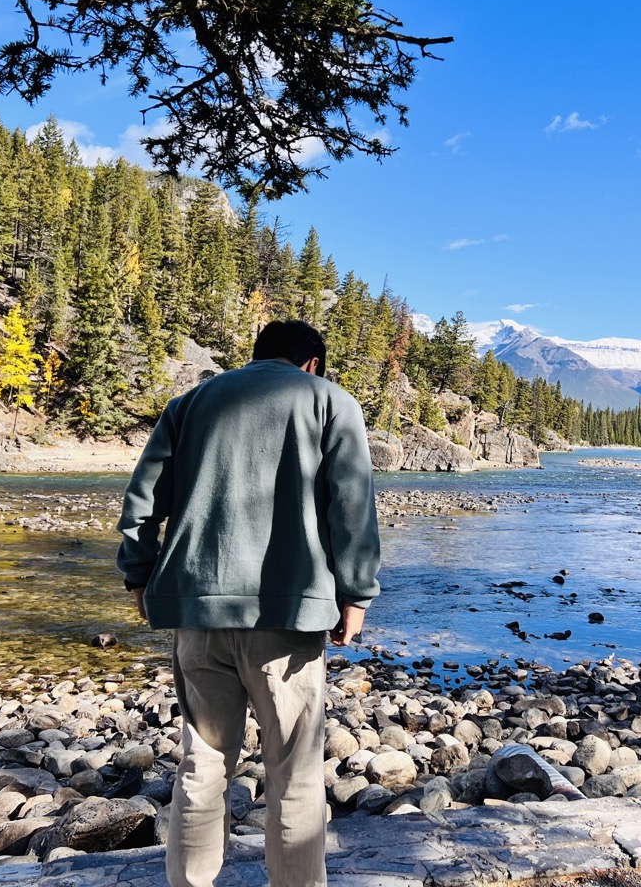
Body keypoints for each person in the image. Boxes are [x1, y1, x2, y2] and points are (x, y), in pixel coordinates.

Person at [116, 319, 381, 887]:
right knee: (295, 774)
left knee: (202, 764)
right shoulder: (331, 402)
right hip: (288, 620)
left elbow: (142, 502)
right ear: (311, 363)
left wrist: (139, 576)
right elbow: (351, 507)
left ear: (257, 357)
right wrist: (356, 593)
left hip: (198, 612)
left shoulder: (188, 403)